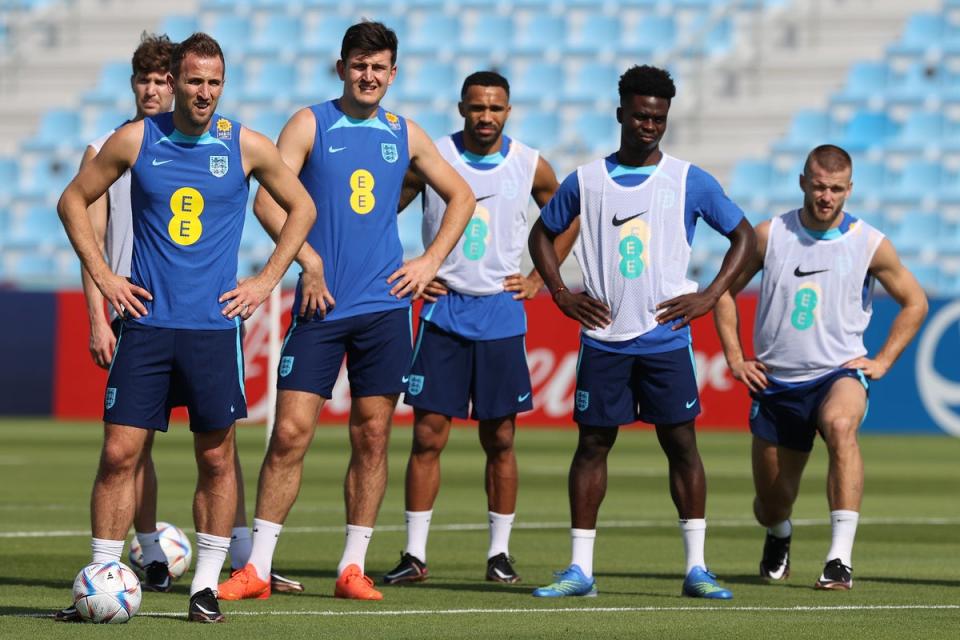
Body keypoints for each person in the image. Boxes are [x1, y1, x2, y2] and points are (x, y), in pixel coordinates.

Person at [56, 32, 317, 623]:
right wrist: (105, 278)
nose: (204, 93)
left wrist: (265, 281)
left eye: (214, 83)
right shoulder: (134, 139)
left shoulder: (245, 145)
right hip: (146, 325)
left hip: (211, 329)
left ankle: (203, 586)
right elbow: (73, 201)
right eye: (194, 81)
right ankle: (100, 577)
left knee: (217, 458)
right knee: (119, 454)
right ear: (174, 81)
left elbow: (302, 208)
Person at [217, 21, 474, 602]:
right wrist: (307, 261)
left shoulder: (404, 133)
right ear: (341, 68)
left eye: (379, 67)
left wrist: (430, 261)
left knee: (373, 435)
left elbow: (460, 195)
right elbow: (267, 200)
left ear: (393, 74)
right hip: (321, 305)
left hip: (383, 309)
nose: (368, 75)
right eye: (359, 65)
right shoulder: (310, 122)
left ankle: (352, 567)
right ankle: (257, 567)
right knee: (288, 434)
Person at [527, 65, 755, 599]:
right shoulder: (587, 180)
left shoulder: (687, 179)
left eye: (659, 117)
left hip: (665, 339)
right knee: (592, 446)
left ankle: (697, 568)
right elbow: (543, 233)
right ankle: (580, 569)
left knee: (681, 445)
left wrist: (709, 294)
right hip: (604, 338)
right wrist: (559, 292)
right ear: (621, 114)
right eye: (641, 115)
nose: (650, 125)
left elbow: (743, 236)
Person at [380, 70, 579, 586]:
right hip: (441, 312)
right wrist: (409, 267)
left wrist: (540, 278)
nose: (485, 117)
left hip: (499, 313)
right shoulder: (433, 157)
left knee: (501, 437)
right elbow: (379, 213)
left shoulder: (529, 163)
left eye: (495, 108)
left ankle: (499, 553)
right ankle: (415, 554)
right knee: (427, 436)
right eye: (476, 107)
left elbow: (567, 216)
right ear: (461, 108)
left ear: (507, 111)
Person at [713, 144, 927, 590]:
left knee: (840, 424)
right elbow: (724, 292)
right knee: (772, 503)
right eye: (818, 186)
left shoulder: (869, 243)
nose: (826, 196)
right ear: (802, 183)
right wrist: (735, 358)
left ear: (849, 189)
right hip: (777, 382)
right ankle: (779, 533)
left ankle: (839, 559)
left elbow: (915, 302)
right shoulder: (771, 235)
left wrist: (883, 359)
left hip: (838, 374)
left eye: (835, 188)